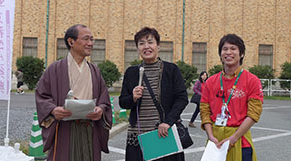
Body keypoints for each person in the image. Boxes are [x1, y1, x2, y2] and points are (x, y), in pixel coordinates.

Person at [35, 24, 112, 161]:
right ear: (71, 42)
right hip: (64, 129)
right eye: (86, 39)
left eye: (92, 40)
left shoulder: (95, 71)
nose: (90, 43)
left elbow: (104, 99)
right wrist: (53, 110)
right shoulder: (55, 69)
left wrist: (100, 109)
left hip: (90, 129)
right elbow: (42, 96)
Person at [119, 27, 188, 161]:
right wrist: (132, 97)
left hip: (162, 134)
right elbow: (122, 101)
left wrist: (168, 122)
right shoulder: (131, 72)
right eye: (141, 43)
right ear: (137, 48)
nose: (146, 46)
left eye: (150, 42)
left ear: (158, 46)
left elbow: (182, 98)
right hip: (137, 136)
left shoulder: (171, 70)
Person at [200, 34, 263, 161]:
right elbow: (204, 110)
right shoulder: (211, 81)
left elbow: (253, 114)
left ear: (241, 54)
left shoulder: (252, 80)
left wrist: (233, 138)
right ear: (220, 54)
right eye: (225, 49)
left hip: (240, 141)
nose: (228, 52)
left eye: (233, 48)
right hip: (215, 142)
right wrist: (210, 136)